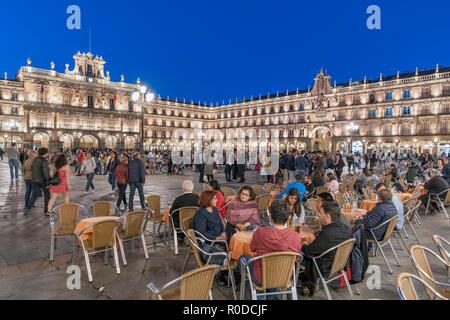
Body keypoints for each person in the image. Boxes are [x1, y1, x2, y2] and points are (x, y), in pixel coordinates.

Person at [238, 199, 302, 299]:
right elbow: (297, 258)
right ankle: (270, 296)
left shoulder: (259, 232)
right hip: (283, 276)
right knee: (276, 267)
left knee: (243, 258)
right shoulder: (296, 236)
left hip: (261, 277)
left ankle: (257, 295)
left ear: (270, 216)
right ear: (288, 216)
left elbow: (252, 248)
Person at [299, 200, 353, 296]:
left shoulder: (327, 234)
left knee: (297, 257)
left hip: (323, 267)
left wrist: (304, 244)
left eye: (321, 213)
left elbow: (309, 252)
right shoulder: (346, 229)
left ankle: (304, 283)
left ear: (327, 216)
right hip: (340, 263)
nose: (319, 215)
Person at [192, 190, 227, 265]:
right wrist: (216, 239)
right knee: (222, 255)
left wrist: (223, 232)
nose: (217, 200)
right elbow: (200, 233)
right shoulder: (200, 213)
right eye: (215, 198)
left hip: (218, 241)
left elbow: (220, 223)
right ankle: (224, 261)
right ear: (208, 200)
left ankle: (225, 261)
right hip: (206, 243)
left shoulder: (214, 210)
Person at [26, 148, 51, 215]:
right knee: (47, 195)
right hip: (42, 181)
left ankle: (28, 208)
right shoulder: (44, 161)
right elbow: (46, 173)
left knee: (34, 195)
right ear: (45, 153)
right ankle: (47, 210)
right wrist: (48, 181)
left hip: (34, 179)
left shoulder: (34, 160)